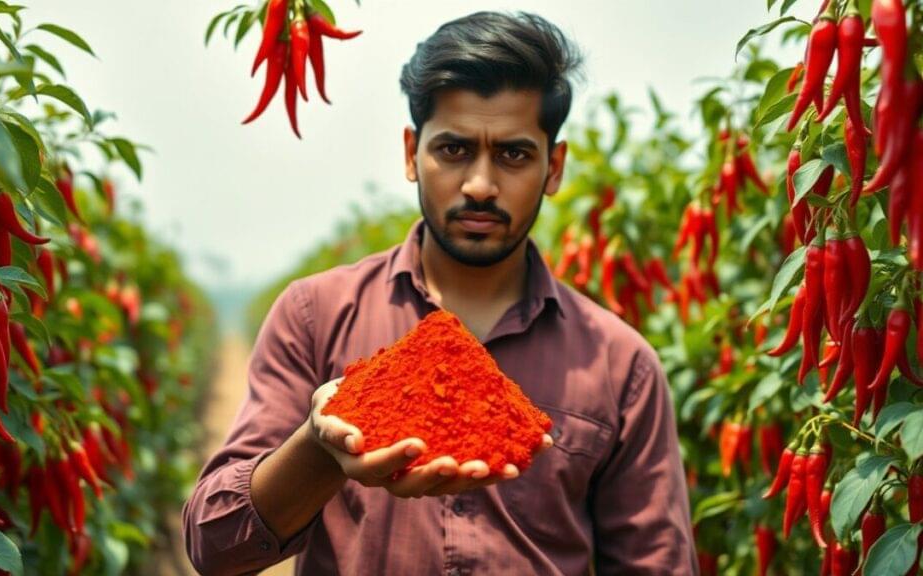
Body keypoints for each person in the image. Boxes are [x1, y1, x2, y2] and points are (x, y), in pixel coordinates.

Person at [183, 10, 696, 575]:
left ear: (555, 167)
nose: (480, 184)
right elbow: (215, 546)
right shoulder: (316, 314)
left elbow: (657, 565)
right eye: (453, 150)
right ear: (411, 154)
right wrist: (319, 448)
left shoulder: (621, 366)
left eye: (514, 154)